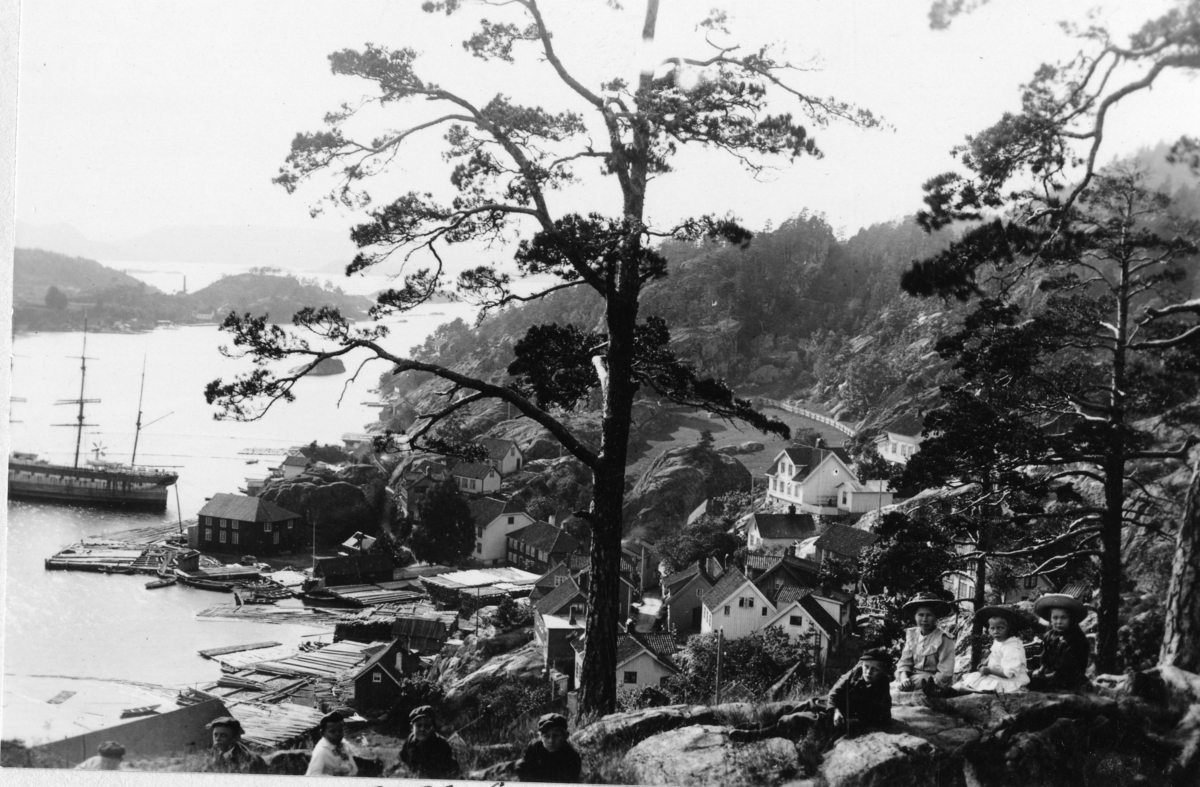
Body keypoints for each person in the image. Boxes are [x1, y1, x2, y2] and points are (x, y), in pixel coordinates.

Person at [731, 649, 893, 744]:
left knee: (797, 719)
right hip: (834, 707)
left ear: (883, 673)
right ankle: (757, 727)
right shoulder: (856, 672)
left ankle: (756, 736)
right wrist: (835, 709)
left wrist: (850, 721)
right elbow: (835, 692)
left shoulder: (882, 689)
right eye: (866, 667)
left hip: (843, 719)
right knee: (798, 707)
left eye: (874, 670)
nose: (868, 672)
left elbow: (882, 717)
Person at [949, 606, 1029, 694]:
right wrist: (986, 662)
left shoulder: (1012, 648)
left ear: (1009, 628)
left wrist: (989, 670)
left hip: (1011, 680)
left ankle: (956, 693)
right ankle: (947, 692)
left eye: (1000, 628)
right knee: (969, 681)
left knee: (978, 688)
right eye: (992, 628)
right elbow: (994, 653)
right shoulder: (999, 641)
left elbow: (1008, 674)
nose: (996, 632)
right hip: (996, 675)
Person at [894, 592, 957, 692]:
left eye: (929, 615)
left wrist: (927, 685)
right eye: (921, 615)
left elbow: (945, 673)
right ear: (915, 616)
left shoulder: (944, 639)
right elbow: (905, 662)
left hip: (933, 684)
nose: (924, 619)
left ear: (936, 617)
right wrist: (904, 678)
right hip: (911, 679)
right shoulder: (912, 635)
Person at [1027, 593, 1091, 692]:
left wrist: (1045, 677)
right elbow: (1046, 657)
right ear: (1050, 619)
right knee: (1025, 676)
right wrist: (1041, 671)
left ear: (1071, 619)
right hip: (1051, 674)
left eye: (1063, 618)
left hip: (1069, 679)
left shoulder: (1076, 639)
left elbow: (1067, 671)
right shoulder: (1050, 635)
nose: (1059, 622)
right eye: (1055, 618)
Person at [515, 712, 582, 783]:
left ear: (565, 736)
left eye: (556, 736)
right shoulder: (535, 746)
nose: (551, 741)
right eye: (546, 736)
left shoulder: (572, 757)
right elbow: (525, 771)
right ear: (540, 737)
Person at [398, 705, 459, 780]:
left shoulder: (441, 745)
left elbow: (447, 773)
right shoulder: (410, 740)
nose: (422, 729)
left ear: (433, 727)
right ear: (411, 727)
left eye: (427, 726)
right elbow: (403, 758)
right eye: (419, 725)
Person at [306, 711, 358, 777]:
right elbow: (312, 775)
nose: (337, 734)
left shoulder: (343, 743)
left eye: (340, 730)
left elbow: (353, 768)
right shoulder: (321, 751)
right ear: (322, 733)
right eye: (332, 731)